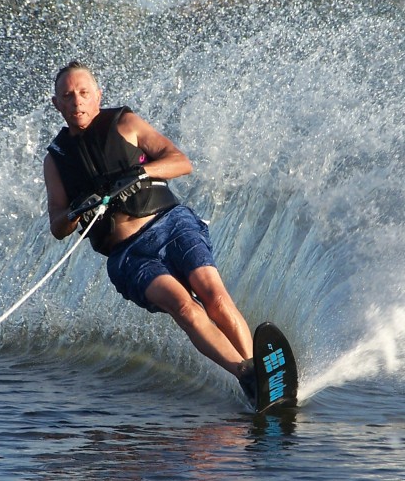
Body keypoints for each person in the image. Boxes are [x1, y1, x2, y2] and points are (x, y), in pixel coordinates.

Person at [43, 61, 256, 400]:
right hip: (129, 255)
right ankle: (247, 375)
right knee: (184, 307)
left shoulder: (124, 123)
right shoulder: (56, 159)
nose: (77, 102)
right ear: (56, 104)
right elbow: (58, 226)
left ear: (98, 95)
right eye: (67, 96)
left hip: (172, 224)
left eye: (84, 93)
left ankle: (257, 372)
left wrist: (141, 174)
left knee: (213, 294)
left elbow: (180, 161)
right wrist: (76, 210)